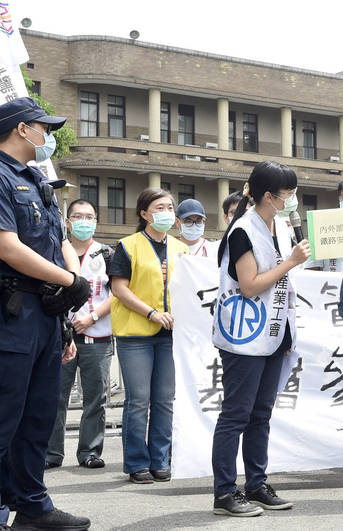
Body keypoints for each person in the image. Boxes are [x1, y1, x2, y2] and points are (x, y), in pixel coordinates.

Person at [0, 97, 92, 529]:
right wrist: (67, 281)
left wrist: (71, 286)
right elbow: (7, 246)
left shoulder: (38, 180)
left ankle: (32, 507)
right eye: (45, 128)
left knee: (38, 417)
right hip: (10, 314)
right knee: (5, 416)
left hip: (44, 314)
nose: (49, 137)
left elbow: (59, 244)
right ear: (22, 129)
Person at [211, 161, 309, 517]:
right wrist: (292, 262)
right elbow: (250, 285)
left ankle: (256, 483)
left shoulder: (279, 225)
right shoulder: (242, 230)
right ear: (269, 195)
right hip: (245, 335)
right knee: (236, 414)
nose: (293, 199)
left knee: (261, 414)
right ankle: (224, 491)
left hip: (276, 331)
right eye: (288, 193)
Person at [109, 188, 188, 484]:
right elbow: (119, 288)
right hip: (136, 334)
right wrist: (151, 313)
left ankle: (161, 458)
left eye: (170, 207)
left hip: (171, 334)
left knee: (165, 399)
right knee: (139, 400)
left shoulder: (182, 249)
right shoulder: (127, 246)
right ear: (144, 213)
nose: (167, 212)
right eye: (160, 207)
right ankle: (137, 462)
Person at [46, 199, 114, 470]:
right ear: (67, 221)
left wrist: (92, 317)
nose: (83, 221)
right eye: (77, 216)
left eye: (89, 216)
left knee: (96, 398)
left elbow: (117, 293)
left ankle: (90, 452)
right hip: (61, 336)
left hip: (97, 336)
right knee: (54, 396)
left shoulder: (107, 254)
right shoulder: (55, 252)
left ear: (96, 221)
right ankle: (51, 453)